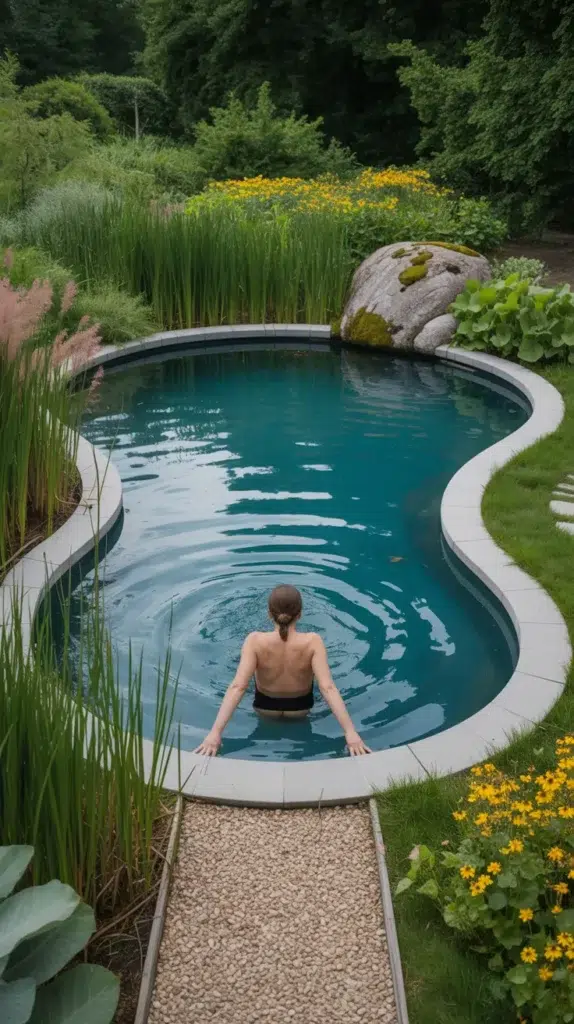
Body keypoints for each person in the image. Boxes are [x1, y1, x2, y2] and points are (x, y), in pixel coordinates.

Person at [195, 584, 372, 757]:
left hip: (265, 708)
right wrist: (350, 732)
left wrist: (215, 733)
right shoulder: (313, 641)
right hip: (301, 709)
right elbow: (328, 688)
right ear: (300, 614)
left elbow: (238, 687)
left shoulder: (254, 641)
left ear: (269, 614)